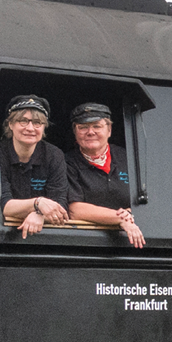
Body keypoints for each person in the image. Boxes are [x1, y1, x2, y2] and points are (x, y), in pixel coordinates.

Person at [65, 102, 146, 249]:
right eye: (83, 127)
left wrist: (131, 211)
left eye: (97, 126)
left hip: (133, 241)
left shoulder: (129, 157)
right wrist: (120, 219)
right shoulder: (66, 162)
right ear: (75, 132)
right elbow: (75, 210)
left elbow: (150, 200)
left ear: (109, 130)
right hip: (85, 242)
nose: (90, 132)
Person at [0, 95, 71, 238]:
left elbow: (60, 205)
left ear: (44, 127)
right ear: (10, 124)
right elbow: (4, 204)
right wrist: (38, 203)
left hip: (46, 235)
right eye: (23, 121)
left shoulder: (54, 155)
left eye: (37, 123)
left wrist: (39, 214)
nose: (30, 128)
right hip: (5, 234)